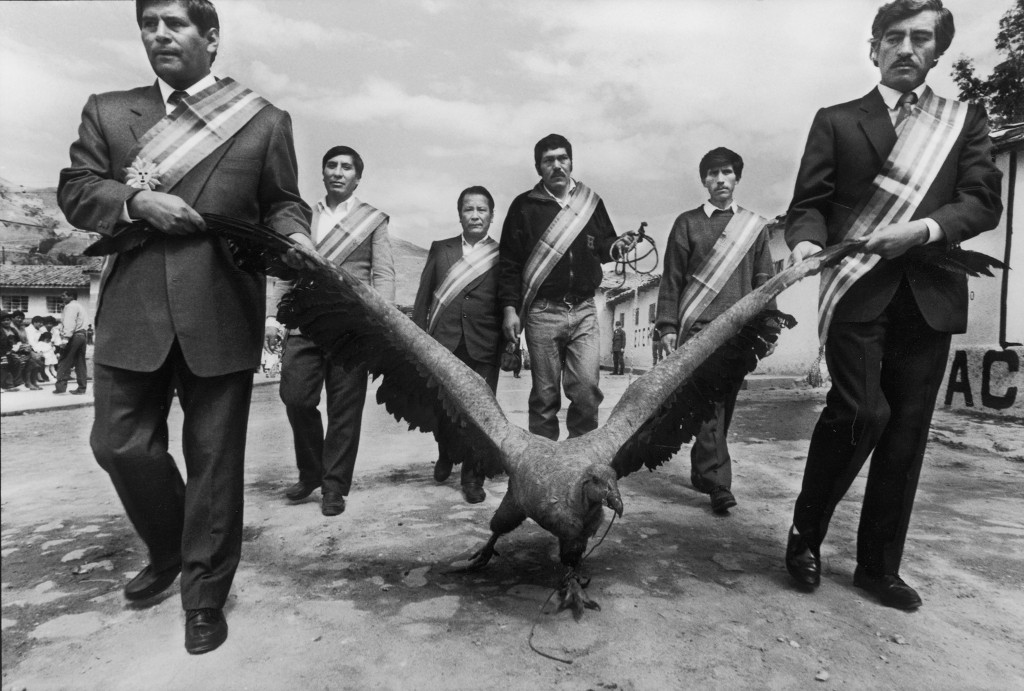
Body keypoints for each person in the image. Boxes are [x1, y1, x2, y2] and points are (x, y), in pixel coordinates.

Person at [57, 0, 312, 654]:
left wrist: (298, 235)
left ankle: (204, 594)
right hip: (131, 310)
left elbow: (283, 203)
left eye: (174, 22)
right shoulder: (110, 111)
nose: (159, 34)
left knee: (214, 466)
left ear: (211, 36)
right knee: (118, 444)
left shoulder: (262, 121)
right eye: (149, 23)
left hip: (221, 308)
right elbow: (78, 189)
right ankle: (171, 547)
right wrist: (134, 199)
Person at [782, 0, 1002, 611]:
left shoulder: (963, 121)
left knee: (905, 433)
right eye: (895, 37)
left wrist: (925, 229)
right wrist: (805, 238)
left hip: (930, 293)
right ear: (874, 47)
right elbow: (810, 202)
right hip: (858, 288)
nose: (907, 49)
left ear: (937, 51)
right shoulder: (836, 119)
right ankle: (806, 534)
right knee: (859, 411)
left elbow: (982, 201)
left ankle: (879, 566)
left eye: (922, 39)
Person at [655, 147, 775, 515]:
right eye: (712, 173)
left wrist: (769, 325)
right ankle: (718, 484)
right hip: (698, 331)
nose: (720, 179)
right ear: (704, 180)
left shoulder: (754, 228)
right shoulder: (687, 223)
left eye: (726, 173)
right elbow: (672, 279)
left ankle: (703, 469)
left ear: (737, 178)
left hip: (738, 333)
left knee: (724, 406)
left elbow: (764, 280)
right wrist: (668, 326)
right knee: (710, 406)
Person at [279, 145, 395, 517]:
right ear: (323, 172)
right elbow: (287, 269)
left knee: (344, 409)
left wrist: (383, 319)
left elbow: (383, 273)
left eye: (347, 167)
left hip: (351, 328)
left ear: (357, 177)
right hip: (305, 324)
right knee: (296, 397)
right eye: (332, 165)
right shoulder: (301, 217)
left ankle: (334, 486)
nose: (338, 172)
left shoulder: (372, 220)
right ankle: (311, 471)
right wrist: (272, 316)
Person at [498, 133, 636, 440]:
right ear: (539, 168)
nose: (557, 166)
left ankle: (581, 462)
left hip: (585, 309)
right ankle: (544, 464)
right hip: (542, 311)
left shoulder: (591, 202)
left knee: (587, 391)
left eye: (562, 158)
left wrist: (617, 245)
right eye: (549, 161)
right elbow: (509, 263)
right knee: (545, 396)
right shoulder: (523, 206)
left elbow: (604, 245)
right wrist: (510, 308)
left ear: (571, 162)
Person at [412, 186, 502, 504]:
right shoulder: (441, 249)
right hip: (443, 343)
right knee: (444, 411)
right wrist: (418, 341)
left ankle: (472, 477)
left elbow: (506, 302)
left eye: (481, 210)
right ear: (459, 214)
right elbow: (423, 299)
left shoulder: (501, 256)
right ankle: (446, 452)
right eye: (468, 209)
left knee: (479, 415)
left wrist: (507, 346)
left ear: (491, 215)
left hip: (484, 345)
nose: (475, 215)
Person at [53, 292, 88, 394]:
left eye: (64, 295)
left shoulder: (70, 307)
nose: (62, 297)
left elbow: (70, 323)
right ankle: (82, 388)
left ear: (71, 296)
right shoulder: (80, 306)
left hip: (74, 336)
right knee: (80, 363)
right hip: (82, 336)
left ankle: (60, 388)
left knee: (64, 361)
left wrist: (65, 339)